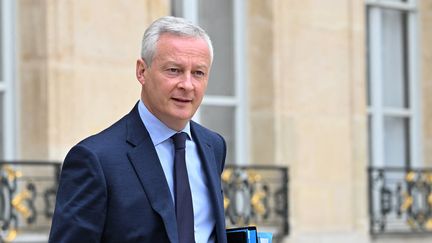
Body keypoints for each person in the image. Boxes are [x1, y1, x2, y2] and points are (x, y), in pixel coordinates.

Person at [49, 16, 228, 243]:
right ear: (142, 71)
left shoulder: (213, 146)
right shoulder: (95, 159)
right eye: (174, 70)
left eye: (198, 73)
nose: (187, 84)